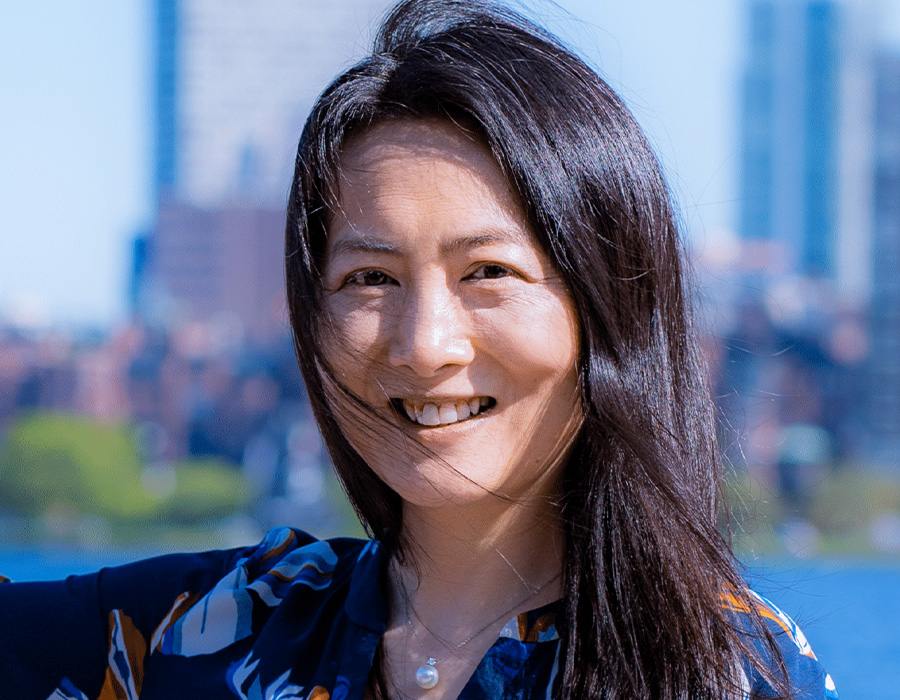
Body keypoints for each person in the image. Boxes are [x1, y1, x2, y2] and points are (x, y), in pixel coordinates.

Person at [0, 1, 837, 699]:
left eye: (488, 272)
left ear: (606, 305)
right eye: (370, 278)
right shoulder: (206, 631)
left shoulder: (724, 668)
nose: (424, 344)